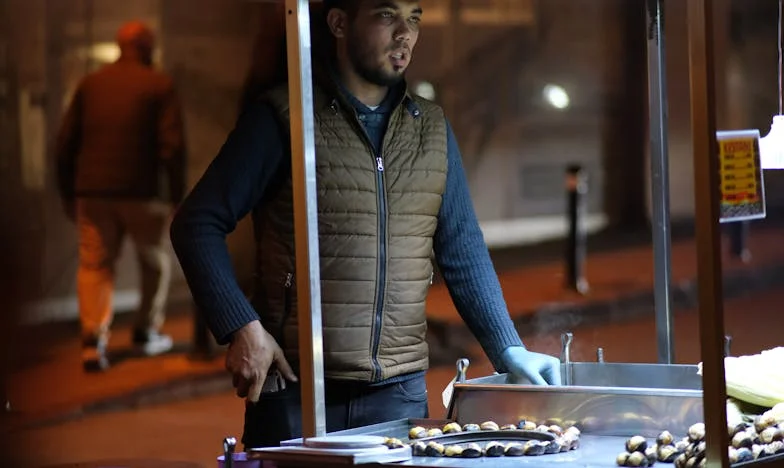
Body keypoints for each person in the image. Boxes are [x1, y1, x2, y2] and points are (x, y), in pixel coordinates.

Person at [170, 0, 560, 449]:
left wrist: (508, 350)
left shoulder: (430, 129)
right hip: (299, 390)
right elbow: (196, 224)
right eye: (386, 15)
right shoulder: (285, 118)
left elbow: (463, 250)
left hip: (397, 395)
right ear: (339, 23)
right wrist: (242, 327)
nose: (405, 34)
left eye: (414, 17)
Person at [55, 20, 186, 372]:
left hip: (93, 193)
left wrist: (68, 191)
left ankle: (93, 342)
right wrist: (178, 197)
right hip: (142, 193)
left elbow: (65, 143)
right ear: (148, 47)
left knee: (95, 265)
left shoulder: (90, 84)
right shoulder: (158, 85)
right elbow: (172, 147)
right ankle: (146, 332)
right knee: (154, 263)